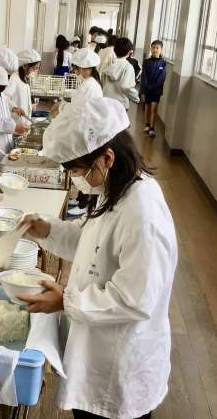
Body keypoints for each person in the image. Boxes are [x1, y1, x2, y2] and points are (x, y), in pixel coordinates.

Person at [18, 96, 177, 419]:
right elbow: (92, 244)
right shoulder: (116, 190)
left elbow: (136, 299)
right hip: (97, 348)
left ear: (107, 157)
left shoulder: (143, 214)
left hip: (120, 363)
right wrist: (47, 229)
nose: (77, 179)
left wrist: (66, 300)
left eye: (77, 170)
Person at [0, 48, 29, 156]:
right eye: (7, 74)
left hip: (5, 142)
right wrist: (13, 126)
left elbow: (4, 100)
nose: (7, 79)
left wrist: (13, 108)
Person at [102, 37, 140, 110]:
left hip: (107, 102)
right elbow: (126, 87)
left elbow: (103, 82)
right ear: (130, 52)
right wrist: (136, 98)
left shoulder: (109, 65)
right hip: (120, 104)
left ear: (114, 50)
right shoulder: (128, 67)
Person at [5, 49, 41, 121]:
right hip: (16, 121)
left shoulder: (24, 78)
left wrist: (30, 106)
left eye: (37, 68)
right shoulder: (14, 78)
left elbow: (21, 99)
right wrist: (14, 107)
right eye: (34, 68)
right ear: (24, 66)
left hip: (24, 120)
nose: (35, 71)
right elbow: (5, 97)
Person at [140, 40, 167, 138]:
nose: (155, 50)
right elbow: (144, 76)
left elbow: (162, 78)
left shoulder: (163, 63)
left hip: (157, 90)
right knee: (147, 107)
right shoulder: (146, 62)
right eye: (153, 47)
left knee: (154, 108)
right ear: (151, 49)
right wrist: (146, 87)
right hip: (147, 89)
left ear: (161, 49)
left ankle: (152, 128)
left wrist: (153, 86)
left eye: (157, 48)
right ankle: (147, 124)